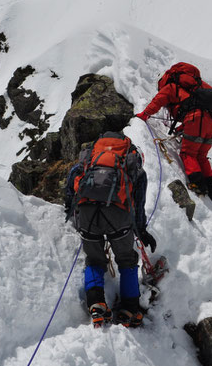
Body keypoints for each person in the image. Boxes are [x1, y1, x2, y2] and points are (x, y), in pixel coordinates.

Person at [63, 130, 157, 328]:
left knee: (95, 261)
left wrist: (72, 209)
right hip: (119, 217)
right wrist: (141, 230)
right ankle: (129, 308)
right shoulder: (132, 163)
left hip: (87, 215)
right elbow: (138, 203)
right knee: (127, 260)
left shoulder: (90, 158)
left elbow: (71, 182)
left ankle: (96, 303)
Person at [135, 62, 212, 201]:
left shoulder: (171, 87)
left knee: (188, 154)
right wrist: (184, 128)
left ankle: (199, 185)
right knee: (201, 156)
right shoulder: (195, 86)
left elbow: (158, 100)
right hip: (211, 122)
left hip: (196, 119)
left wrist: (145, 114)